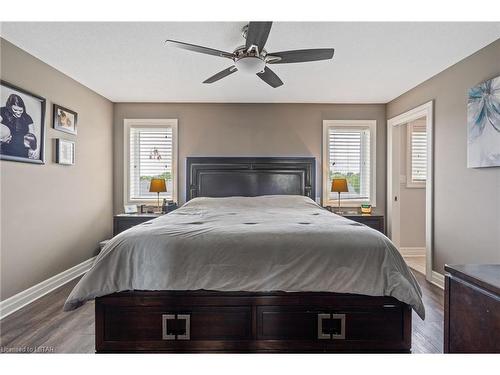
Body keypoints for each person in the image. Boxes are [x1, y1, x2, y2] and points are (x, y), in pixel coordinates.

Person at [0, 94, 37, 158]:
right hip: (4, 151)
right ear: (10, 107)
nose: (18, 113)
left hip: (23, 152)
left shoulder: (27, 117)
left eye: (20, 110)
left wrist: (34, 149)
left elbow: (32, 136)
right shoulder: (2, 111)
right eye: (15, 110)